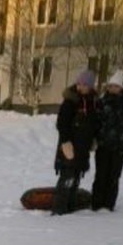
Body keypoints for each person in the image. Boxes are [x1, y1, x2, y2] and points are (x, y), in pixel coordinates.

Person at [51, 68, 100, 216]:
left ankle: (70, 207)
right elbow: (62, 123)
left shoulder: (93, 103)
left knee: (75, 179)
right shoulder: (70, 101)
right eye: (79, 84)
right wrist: (66, 142)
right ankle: (59, 210)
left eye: (85, 85)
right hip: (70, 148)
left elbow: (95, 124)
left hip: (83, 148)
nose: (81, 87)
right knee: (67, 178)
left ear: (91, 86)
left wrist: (94, 139)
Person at [91, 68, 123, 211]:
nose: (113, 88)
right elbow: (96, 121)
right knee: (101, 175)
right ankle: (96, 203)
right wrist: (96, 137)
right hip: (103, 145)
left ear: (122, 87)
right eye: (111, 86)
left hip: (120, 147)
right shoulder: (102, 101)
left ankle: (108, 204)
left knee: (114, 176)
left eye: (116, 86)